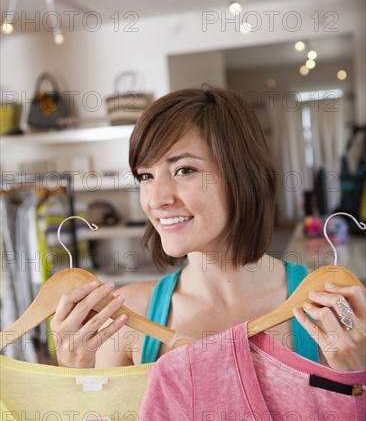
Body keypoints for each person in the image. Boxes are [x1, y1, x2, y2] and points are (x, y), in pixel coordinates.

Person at [51, 85, 366, 371]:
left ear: (241, 177)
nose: (157, 199)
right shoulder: (129, 315)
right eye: (145, 175)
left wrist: (358, 376)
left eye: (184, 170)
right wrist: (75, 370)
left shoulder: (325, 307)